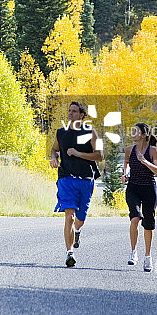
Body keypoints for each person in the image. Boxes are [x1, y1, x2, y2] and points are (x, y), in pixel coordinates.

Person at [50, 100, 103, 267]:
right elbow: (54, 149)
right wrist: (54, 157)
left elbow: (100, 155)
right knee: (69, 216)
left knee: (80, 219)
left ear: (82, 115)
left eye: (74, 111)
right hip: (65, 178)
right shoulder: (61, 132)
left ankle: (77, 231)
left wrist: (78, 153)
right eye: (69, 111)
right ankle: (69, 253)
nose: (70, 113)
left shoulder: (91, 131)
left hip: (86, 179)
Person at [121, 122, 157, 272]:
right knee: (135, 218)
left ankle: (148, 257)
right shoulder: (129, 150)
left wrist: (144, 161)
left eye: (135, 131)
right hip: (133, 187)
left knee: (148, 223)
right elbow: (126, 163)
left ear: (144, 135)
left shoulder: (152, 150)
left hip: (149, 189)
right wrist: (124, 173)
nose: (132, 133)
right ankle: (133, 252)